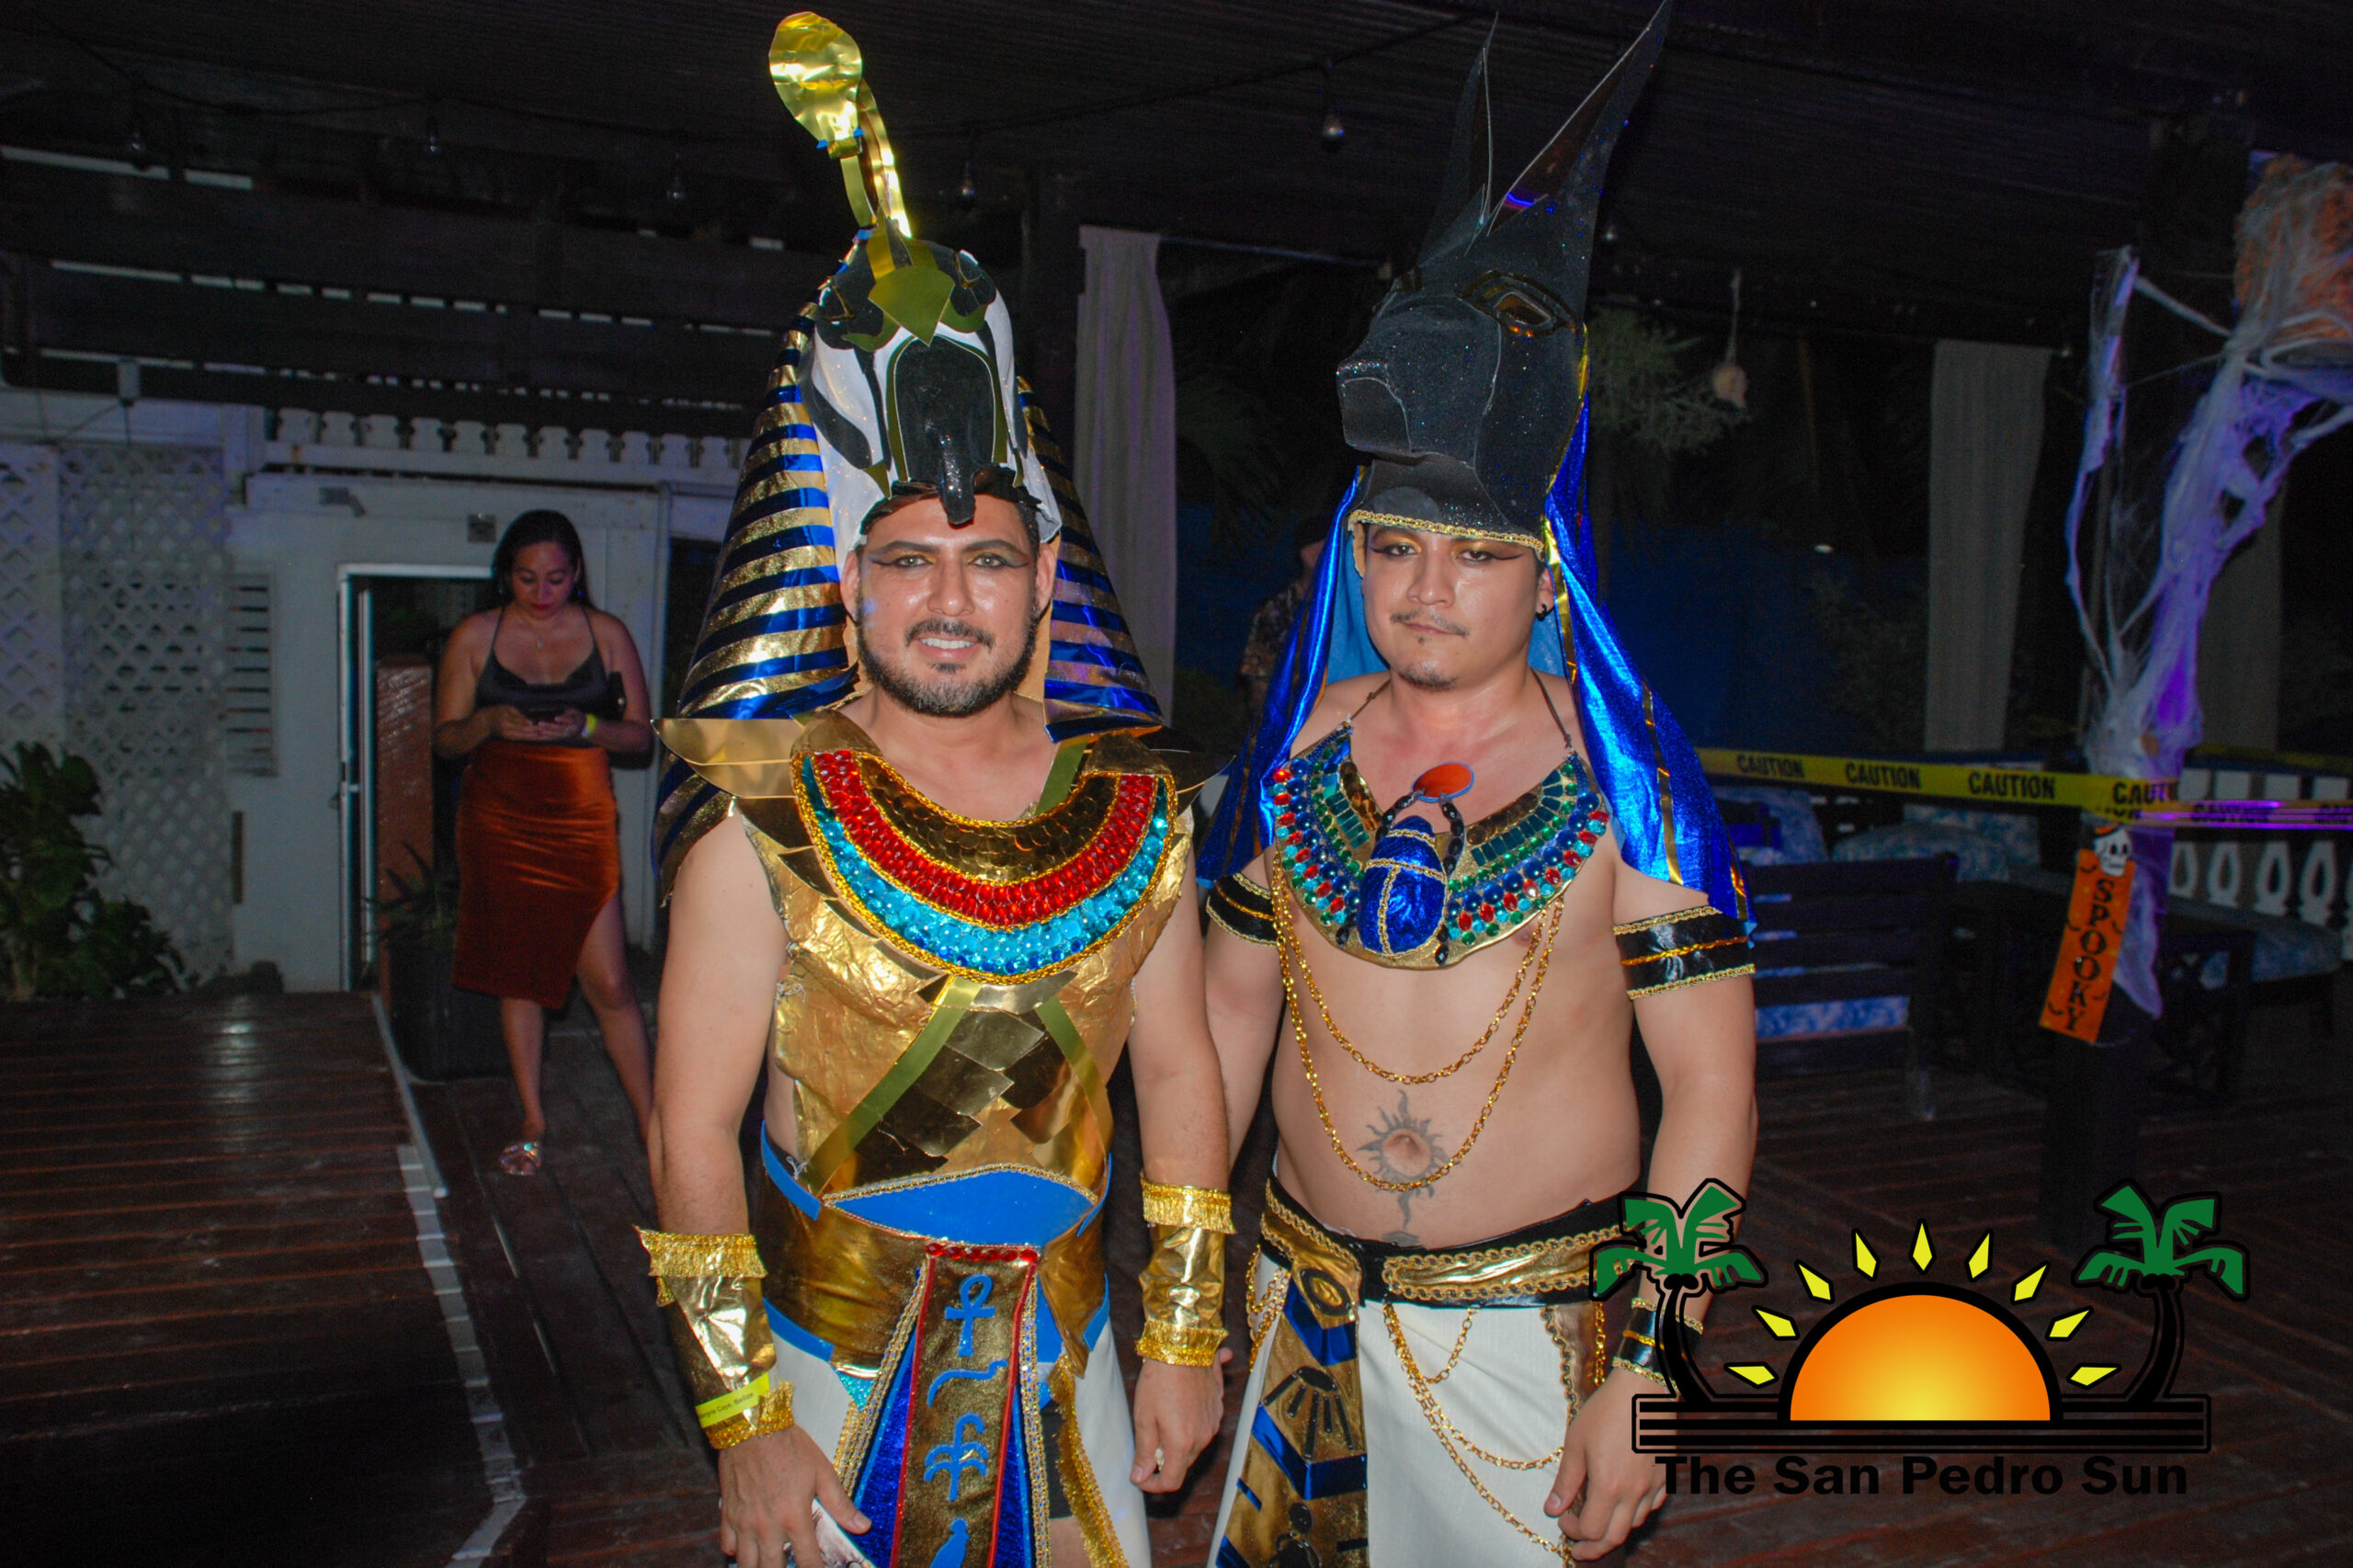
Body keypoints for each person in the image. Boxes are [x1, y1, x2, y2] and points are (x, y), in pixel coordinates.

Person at [638, 17, 1229, 1567]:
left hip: (1076, 1372)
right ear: (849, 582)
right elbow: (690, 1131)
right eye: (908, 561)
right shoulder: (760, 820)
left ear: (1044, 578)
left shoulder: (1138, 809)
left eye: (985, 561)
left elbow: (1179, 1079)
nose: (949, 601)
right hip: (830, 1392)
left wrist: (1185, 1331)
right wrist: (742, 1416)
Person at [1199, 10, 1758, 1564]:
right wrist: (1186, 1298)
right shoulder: (1294, 754)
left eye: (1476, 555)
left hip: (1532, 1335)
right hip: (1295, 1304)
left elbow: (1711, 1092)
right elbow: (1225, 1023)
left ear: (1549, 575)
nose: (1426, 590)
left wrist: (1652, 1369)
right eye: (1393, 546)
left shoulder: (1630, 784)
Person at [434, 510, 655, 1175]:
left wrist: (587, 726)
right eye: (527, 578)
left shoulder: (605, 633)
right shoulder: (476, 635)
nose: (541, 592)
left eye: (555, 578)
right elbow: (444, 740)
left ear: (576, 572)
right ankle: (532, 1118)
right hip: (501, 818)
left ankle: (652, 1122)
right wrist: (487, 723)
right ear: (506, 574)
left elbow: (640, 736)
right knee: (520, 975)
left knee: (610, 979)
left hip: (581, 816)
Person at [1235, 516, 1329, 715]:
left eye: (1326, 543)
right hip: (1286, 716)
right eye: (1313, 543)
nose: (1319, 549)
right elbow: (1258, 678)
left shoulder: (1349, 607)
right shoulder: (1276, 609)